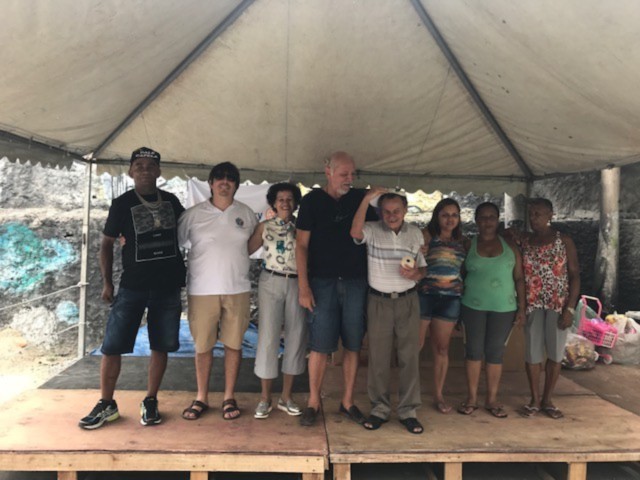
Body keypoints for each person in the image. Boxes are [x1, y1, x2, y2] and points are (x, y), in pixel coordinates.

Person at [79, 147, 186, 429]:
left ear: (159, 171)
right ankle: (106, 403)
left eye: (150, 166)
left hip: (167, 287)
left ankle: (151, 400)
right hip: (132, 287)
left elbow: (192, 230)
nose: (145, 170)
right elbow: (106, 244)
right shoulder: (121, 203)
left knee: (160, 346)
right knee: (111, 346)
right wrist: (107, 282)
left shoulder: (172, 201)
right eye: (139, 166)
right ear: (130, 172)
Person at [296, 151, 378, 427]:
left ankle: (347, 402)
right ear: (328, 172)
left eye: (352, 174)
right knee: (319, 345)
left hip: (356, 282)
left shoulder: (360, 199)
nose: (349, 179)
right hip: (322, 282)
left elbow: (382, 230)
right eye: (344, 174)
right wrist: (304, 286)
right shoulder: (311, 201)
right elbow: (301, 245)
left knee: (353, 344)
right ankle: (313, 402)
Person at [178, 162, 257, 421]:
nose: (225, 182)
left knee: (234, 344)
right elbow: (175, 242)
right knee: (203, 346)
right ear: (210, 183)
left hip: (238, 288)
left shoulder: (246, 214)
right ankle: (201, 396)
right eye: (219, 178)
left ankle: (228, 396)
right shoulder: (192, 215)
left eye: (230, 178)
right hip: (202, 290)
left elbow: (251, 245)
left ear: (236, 184)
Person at [351, 188, 426, 434]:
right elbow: (355, 232)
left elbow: (423, 269)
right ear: (380, 212)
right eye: (386, 211)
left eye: (396, 211)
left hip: (408, 300)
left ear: (405, 210)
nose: (392, 216)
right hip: (379, 301)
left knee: (409, 357)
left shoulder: (415, 233)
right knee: (379, 358)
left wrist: (416, 274)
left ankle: (408, 411)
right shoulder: (372, 230)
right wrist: (366, 199)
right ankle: (380, 409)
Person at [457, 202, 525, 418]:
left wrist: (522, 308)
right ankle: (471, 399)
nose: (487, 221)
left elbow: (519, 278)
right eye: (483, 217)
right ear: (476, 220)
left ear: (498, 220)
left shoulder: (510, 247)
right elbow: (460, 276)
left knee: (495, 353)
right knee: (473, 351)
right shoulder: (468, 245)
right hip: (472, 306)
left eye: (491, 217)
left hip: (504, 308)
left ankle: (492, 400)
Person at [248, 182, 308, 419]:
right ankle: (265, 398)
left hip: (297, 282)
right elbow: (246, 249)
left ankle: (286, 397)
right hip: (270, 280)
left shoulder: (303, 227)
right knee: (268, 336)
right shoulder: (264, 226)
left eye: (289, 199)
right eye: (280, 199)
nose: (285, 203)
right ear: (273, 202)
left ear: (296, 202)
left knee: (296, 335)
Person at [517, 198, 580, 419]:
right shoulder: (525, 241)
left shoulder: (564, 241)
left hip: (557, 305)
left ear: (550, 215)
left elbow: (575, 276)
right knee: (532, 353)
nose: (533, 218)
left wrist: (570, 309)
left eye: (538, 214)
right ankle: (534, 399)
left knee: (555, 353)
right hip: (532, 304)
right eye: (531, 214)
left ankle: (548, 400)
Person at [417, 198, 467, 414]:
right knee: (415, 346)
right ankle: (409, 393)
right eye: (445, 214)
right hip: (424, 296)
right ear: (437, 216)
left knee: (442, 349)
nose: (450, 219)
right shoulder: (426, 236)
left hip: (450, 300)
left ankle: (438, 395)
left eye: (454, 215)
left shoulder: (463, 242)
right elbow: (411, 259)